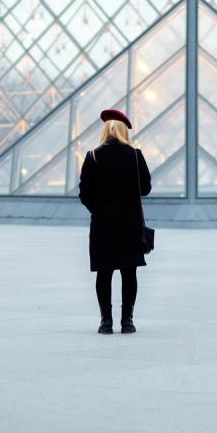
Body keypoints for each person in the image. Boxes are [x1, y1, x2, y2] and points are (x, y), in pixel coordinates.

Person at [78, 108, 152, 334]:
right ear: (123, 130)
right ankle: (127, 321)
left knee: (104, 273)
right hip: (130, 225)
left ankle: (106, 322)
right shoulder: (135, 155)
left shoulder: (92, 156)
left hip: (103, 225)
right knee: (129, 273)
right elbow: (145, 188)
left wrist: (98, 210)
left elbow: (84, 193)